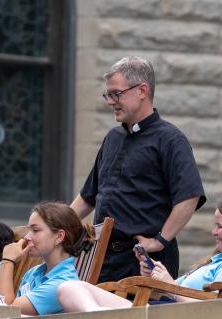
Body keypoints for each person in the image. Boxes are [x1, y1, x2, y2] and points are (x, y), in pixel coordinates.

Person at [70, 56, 206, 282]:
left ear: (142, 90)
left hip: (145, 263)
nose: (110, 101)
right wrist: (53, 227)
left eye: (116, 94)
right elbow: (87, 197)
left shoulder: (171, 139)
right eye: (108, 95)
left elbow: (189, 196)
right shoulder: (112, 137)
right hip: (102, 259)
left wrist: (159, 241)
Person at [57, 195, 222, 312]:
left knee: (71, 289)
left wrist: (170, 287)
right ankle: (99, 317)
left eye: (219, 226)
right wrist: (156, 278)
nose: (213, 232)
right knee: (72, 288)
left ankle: (100, 318)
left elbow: (214, 312)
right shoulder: (221, 261)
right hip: (155, 311)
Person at [0, 202, 94, 316]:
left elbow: (3, 312)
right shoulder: (34, 272)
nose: (27, 237)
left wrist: (7, 260)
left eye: (35, 230)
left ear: (59, 236)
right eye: (28, 230)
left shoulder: (61, 284)